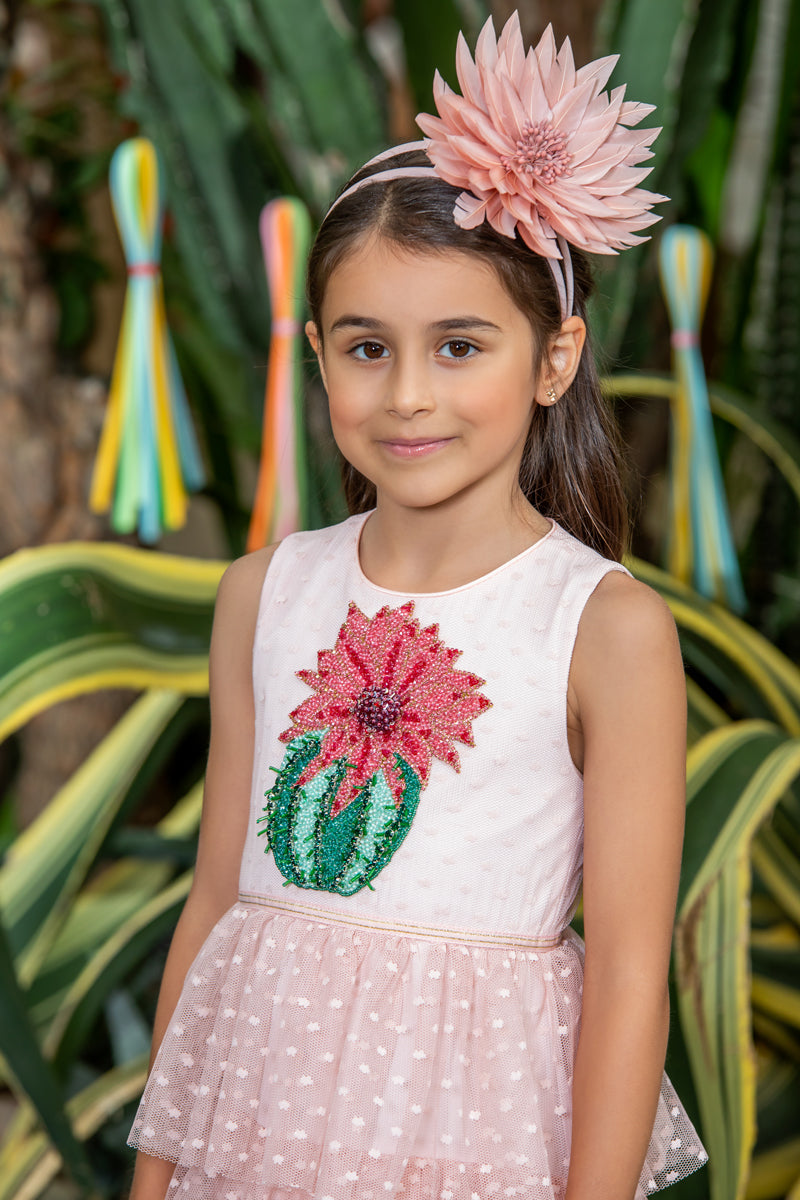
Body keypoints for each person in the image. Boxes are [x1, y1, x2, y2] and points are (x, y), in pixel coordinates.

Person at [128, 13, 709, 1199]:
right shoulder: (267, 594)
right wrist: (155, 1177)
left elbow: (630, 977)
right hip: (259, 1134)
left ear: (551, 360)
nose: (404, 396)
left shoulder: (602, 628)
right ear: (316, 353)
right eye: (363, 347)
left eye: (458, 346)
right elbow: (213, 911)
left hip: (478, 1145)